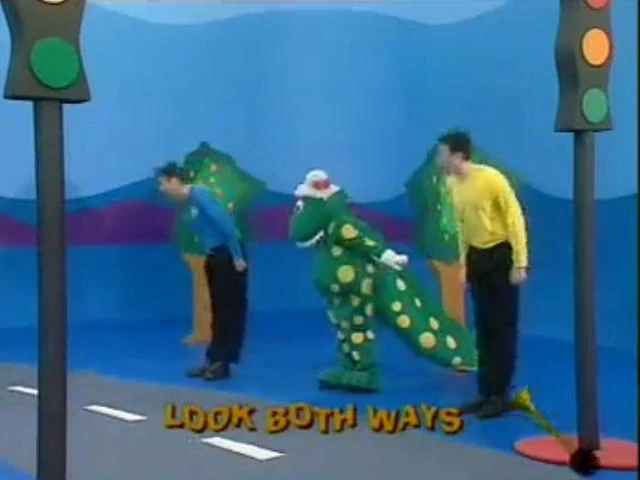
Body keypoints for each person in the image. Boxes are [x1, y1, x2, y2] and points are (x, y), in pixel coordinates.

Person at [437, 131, 528, 419]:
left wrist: (519, 263)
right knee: (484, 327)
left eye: (442, 154)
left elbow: (514, 219)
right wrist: (465, 266)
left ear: (458, 156)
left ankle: (501, 395)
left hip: (500, 255)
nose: (439, 159)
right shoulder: (451, 184)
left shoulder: (491, 179)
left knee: (502, 328)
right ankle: (486, 392)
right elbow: (461, 227)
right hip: (477, 258)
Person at [156, 162, 248, 381]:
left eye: (162, 183)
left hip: (228, 254)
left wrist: (237, 256)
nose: (161, 189)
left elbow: (226, 224)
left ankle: (223, 363)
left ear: (174, 180)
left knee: (229, 310)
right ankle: (212, 359)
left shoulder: (200, 194)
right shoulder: (187, 203)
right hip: (213, 254)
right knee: (217, 308)